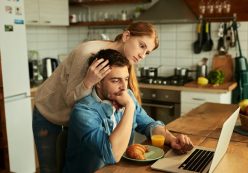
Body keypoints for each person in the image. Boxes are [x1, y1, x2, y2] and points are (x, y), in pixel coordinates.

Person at [32, 22, 159, 173]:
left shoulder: (119, 59)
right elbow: (72, 101)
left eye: (147, 52)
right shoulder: (88, 54)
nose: (142, 55)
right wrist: (88, 82)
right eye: (141, 46)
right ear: (126, 36)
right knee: (50, 170)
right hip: (49, 112)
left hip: (74, 119)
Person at [63, 49, 194, 173]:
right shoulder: (84, 111)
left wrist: (172, 140)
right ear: (98, 82)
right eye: (115, 80)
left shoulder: (127, 96)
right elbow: (112, 154)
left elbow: (149, 125)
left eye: (126, 79)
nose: (124, 87)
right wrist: (130, 107)